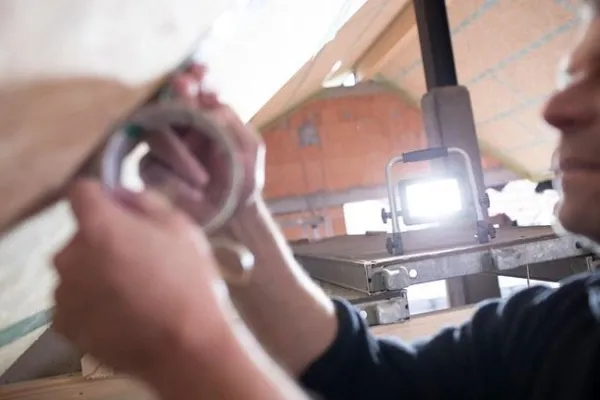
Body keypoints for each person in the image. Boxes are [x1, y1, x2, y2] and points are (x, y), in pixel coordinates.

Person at [53, 1, 600, 398]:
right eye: (571, 76)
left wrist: (182, 348)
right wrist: (235, 213)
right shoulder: (558, 326)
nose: (555, 110)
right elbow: (368, 382)